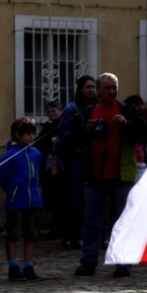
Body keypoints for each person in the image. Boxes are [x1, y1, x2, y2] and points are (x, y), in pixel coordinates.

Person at [72, 72, 147, 278]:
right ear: (97, 91)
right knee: (91, 221)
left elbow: (143, 135)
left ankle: (123, 263)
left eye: (114, 88)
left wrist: (127, 124)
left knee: (122, 220)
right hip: (94, 174)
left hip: (121, 174)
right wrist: (84, 130)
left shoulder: (127, 110)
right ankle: (88, 262)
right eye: (107, 88)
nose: (112, 92)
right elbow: (72, 141)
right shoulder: (87, 112)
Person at [0, 117, 43, 281]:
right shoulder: (10, 155)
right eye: (28, 134)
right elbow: (1, 176)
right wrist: (11, 190)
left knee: (31, 235)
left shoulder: (36, 153)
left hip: (33, 200)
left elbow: (38, 174)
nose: (31, 137)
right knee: (13, 234)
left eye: (33, 133)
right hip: (16, 201)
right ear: (18, 135)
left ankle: (29, 265)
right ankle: (13, 265)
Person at [56, 75, 96, 248]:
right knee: (74, 198)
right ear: (80, 89)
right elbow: (63, 137)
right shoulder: (71, 109)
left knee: (90, 198)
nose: (91, 90)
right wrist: (81, 130)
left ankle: (88, 235)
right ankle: (70, 235)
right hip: (74, 157)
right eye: (87, 87)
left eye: (93, 87)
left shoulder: (96, 108)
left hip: (92, 156)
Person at [37, 99, 63, 239]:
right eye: (49, 112)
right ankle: (55, 228)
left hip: (59, 167)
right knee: (50, 198)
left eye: (54, 111)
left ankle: (58, 229)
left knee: (58, 199)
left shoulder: (63, 124)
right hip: (46, 167)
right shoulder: (48, 127)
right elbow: (40, 142)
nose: (51, 114)